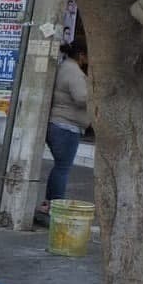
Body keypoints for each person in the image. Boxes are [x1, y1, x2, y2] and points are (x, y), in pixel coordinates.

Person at [39, 39, 90, 215]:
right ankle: (55, 204)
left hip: (60, 124)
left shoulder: (64, 67)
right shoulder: (73, 71)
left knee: (59, 167)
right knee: (62, 168)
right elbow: (82, 98)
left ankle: (50, 203)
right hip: (66, 126)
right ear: (81, 55)